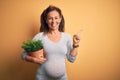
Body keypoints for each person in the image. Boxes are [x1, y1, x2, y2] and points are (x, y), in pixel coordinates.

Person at [21, 5, 80, 80]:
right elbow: (23, 54)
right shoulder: (40, 37)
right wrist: (34, 60)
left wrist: (75, 45)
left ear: (60, 18)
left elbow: (72, 59)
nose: (53, 21)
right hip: (42, 77)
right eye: (50, 18)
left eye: (56, 18)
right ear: (46, 20)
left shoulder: (66, 37)